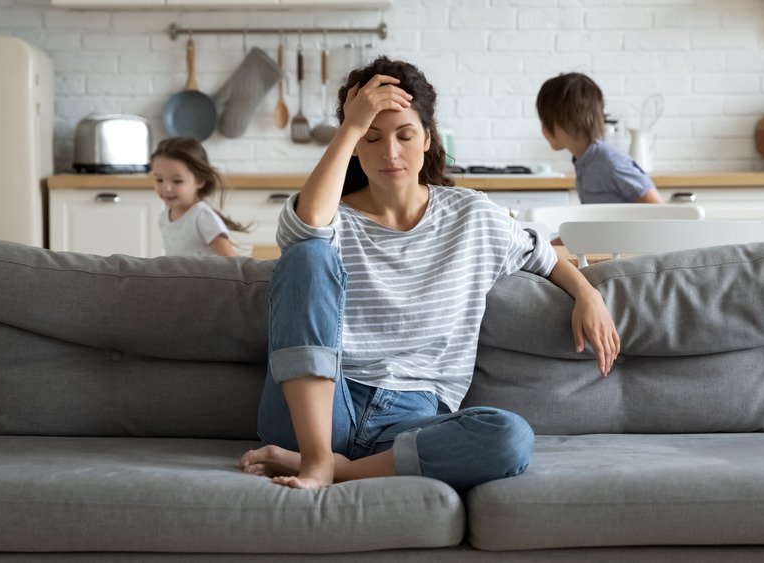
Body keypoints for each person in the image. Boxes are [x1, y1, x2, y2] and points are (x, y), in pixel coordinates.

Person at [239, 57, 620, 491]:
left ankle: (330, 468)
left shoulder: (471, 216)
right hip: (319, 404)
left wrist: (588, 294)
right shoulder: (330, 217)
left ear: (427, 139)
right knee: (307, 254)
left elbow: (546, 258)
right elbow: (305, 228)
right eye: (371, 137)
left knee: (510, 437)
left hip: (410, 419)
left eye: (404, 135)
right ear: (354, 144)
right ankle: (316, 454)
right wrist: (349, 125)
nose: (390, 153)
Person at [536, 72, 662, 204]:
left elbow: (659, 211)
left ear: (567, 122)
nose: (543, 128)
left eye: (544, 121)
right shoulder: (585, 161)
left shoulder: (612, 162)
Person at [150, 137, 250, 257]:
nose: (166, 188)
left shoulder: (202, 217)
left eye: (177, 181)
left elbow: (232, 262)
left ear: (200, 181)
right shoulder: (164, 217)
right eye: (159, 179)